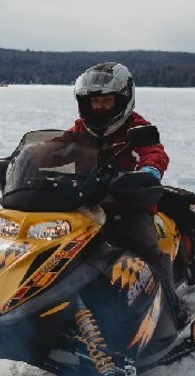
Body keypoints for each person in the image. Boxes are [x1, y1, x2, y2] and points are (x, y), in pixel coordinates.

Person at [66, 62, 185, 328]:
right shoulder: (80, 130)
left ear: (122, 100)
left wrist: (149, 172)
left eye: (106, 101)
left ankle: (170, 309)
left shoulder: (136, 128)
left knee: (147, 250)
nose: (98, 108)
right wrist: (30, 164)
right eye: (94, 102)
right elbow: (57, 149)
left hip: (128, 206)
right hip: (85, 205)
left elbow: (154, 152)